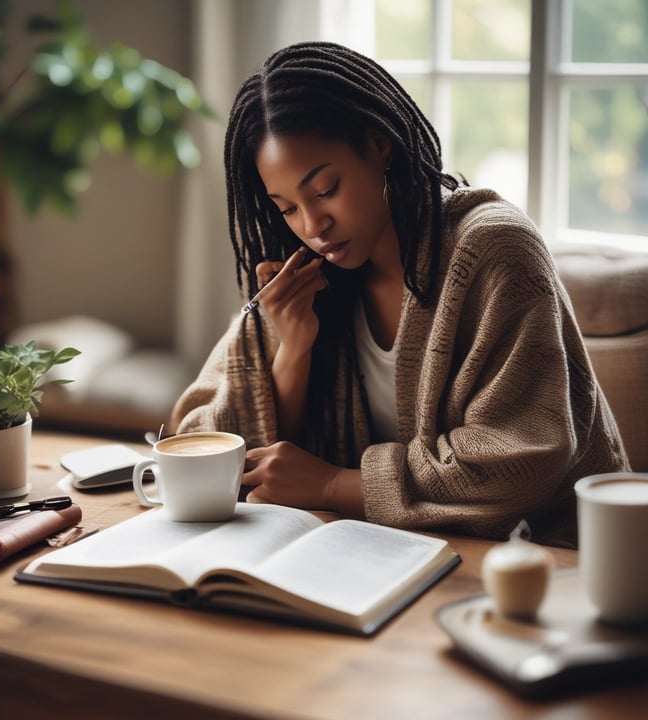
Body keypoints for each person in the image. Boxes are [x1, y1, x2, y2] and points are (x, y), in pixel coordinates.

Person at [170, 41, 629, 548]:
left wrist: (333, 484)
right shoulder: (303, 277)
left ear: (380, 144)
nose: (313, 226)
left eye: (325, 190)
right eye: (287, 208)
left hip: (543, 558)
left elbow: (521, 457)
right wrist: (293, 349)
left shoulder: (492, 249)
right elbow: (205, 440)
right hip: (372, 550)